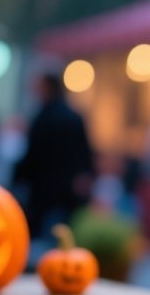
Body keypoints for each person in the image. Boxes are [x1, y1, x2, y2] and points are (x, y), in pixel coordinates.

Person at [13, 72, 95, 239]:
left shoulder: (42, 117)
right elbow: (84, 152)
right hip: (67, 184)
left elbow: (34, 153)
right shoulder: (73, 117)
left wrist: (19, 177)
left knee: (38, 230)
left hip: (43, 184)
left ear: (48, 87)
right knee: (65, 232)